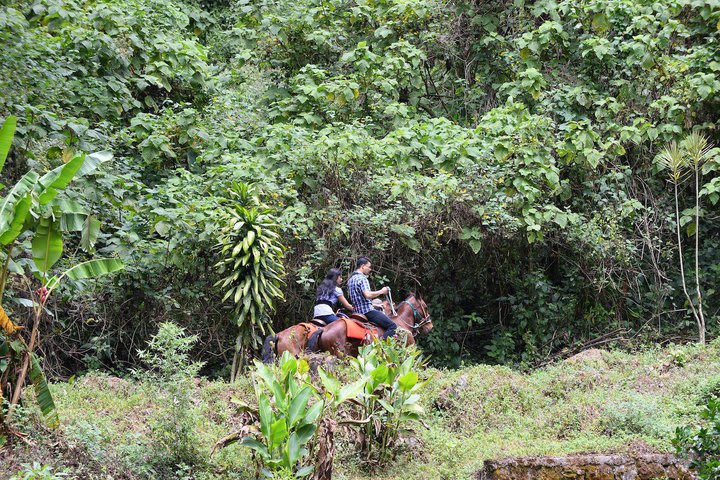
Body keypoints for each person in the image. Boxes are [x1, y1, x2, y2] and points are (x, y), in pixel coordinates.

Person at [347, 257, 397, 339]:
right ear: (363, 266)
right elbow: (368, 295)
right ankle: (381, 346)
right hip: (367, 311)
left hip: (356, 312)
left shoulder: (350, 280)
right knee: (393, 326)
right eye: (369, 267)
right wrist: (382, 291)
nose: (370, 269)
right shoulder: (362, 278)